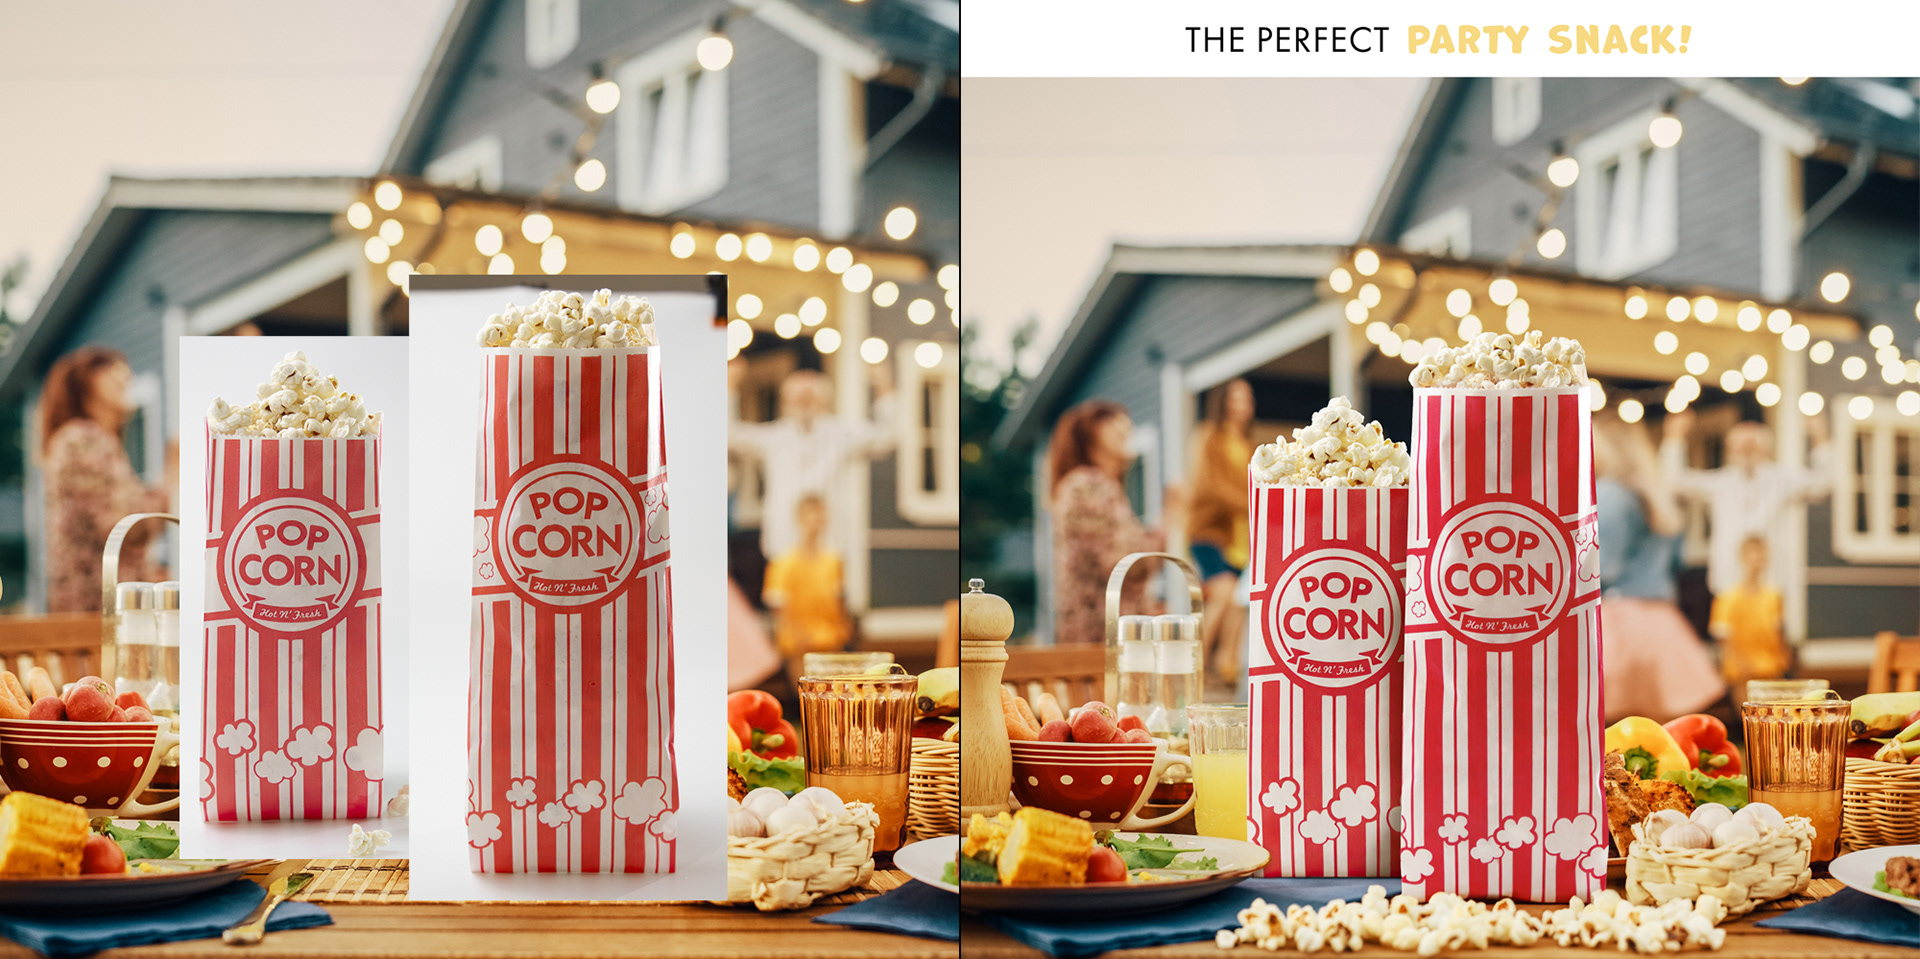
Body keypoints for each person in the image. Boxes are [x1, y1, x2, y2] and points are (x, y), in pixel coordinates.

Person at [1593, 412, 1724, 722]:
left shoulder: (1611, 494)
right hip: (1662, 621)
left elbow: (1601, 568)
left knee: (1609, 728)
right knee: (1658, 730)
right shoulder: (1661, 497)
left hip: (1618, 619)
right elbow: (1677, 562)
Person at [39, 346, 171, 612]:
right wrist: (172, 474)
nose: (124, 376)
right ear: (85, 385)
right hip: (99, 612)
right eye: (109, 369)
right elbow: (128, 527)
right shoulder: (84, 439)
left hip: (94, 607)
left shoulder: (88, 440)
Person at [1048, 399, 1186, 646]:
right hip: (1101, 642)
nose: (1125, 427)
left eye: (1126, 421)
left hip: (1098, 638)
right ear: (1090, 435)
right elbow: (1127, 566)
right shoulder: (1088, 485)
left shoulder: (1096, 485)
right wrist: (1169, 517)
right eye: (1111, 420)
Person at [729, 366, 894, 565]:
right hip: (784, 545)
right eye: (797, 396)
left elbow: (886, 437)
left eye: (809, 395)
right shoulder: (774, 437)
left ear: (824, 399)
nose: (803, 402)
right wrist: (729, 387)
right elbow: (731, 435)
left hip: (831, 545)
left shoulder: (842, 434)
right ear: (785, 400)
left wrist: (884, 386)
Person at [1661, 410, 1829, 603]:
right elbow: (1674, 482)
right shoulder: (1720, 482)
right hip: (1729, 581)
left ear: (1766, 448)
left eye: (1751, 445)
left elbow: (1822, 483)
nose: (1746, 450)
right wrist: (1674, 438)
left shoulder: (1783, 480)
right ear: (1729, 450)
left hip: (1773, 581)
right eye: (1740, 446)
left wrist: (1820, 437)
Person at [1186, 378, 1254, 683]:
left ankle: (1228, 666)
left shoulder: (1249, 444)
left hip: (1241, 538)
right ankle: (1192, 661)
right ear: (1222, 401)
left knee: (1238, 601)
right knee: (1224, 590)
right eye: (1234, 398)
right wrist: (1248, 502)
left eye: (1245, 399)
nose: (1240, 405)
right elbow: (1207, 484)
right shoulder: (1208, 436)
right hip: (1209, 529)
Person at [763, 493, 852, 681]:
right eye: (811, 517)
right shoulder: (783, 563)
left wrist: (844, 630)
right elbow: (778, 605)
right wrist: (797, 636)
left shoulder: (833, 561)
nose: (816, 523)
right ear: (800, 519)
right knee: (806, 694)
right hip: (799, 645)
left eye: (820, 517)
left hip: (830, 641)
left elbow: (838, 598)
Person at [1709, 535, 1789, 704]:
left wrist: (1783, 659)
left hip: (1770, 670)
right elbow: (1722, 636)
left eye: (1761, 556)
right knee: (1747, 718)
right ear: (1743, 558)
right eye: (1753, 556)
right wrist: (1741, 663)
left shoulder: (1773, 596)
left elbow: (1778, 630)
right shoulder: (1728, 598)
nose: (1757, 562)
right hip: (1741, 672)